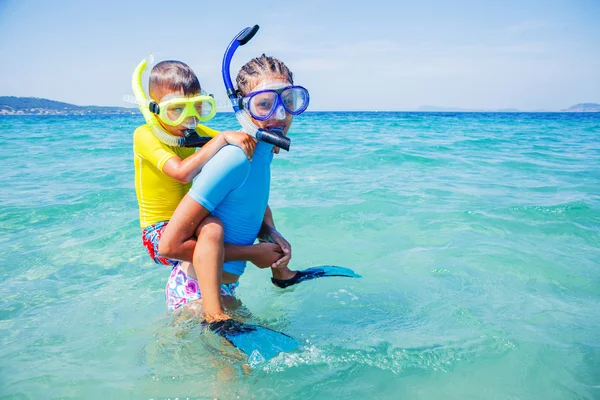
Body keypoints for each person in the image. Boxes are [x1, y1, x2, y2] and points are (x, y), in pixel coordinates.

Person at [159, 54, 310, 322]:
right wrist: (252, 254)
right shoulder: (235, 158)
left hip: (224, 287)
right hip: (196, 293)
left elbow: (245, 207)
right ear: (243, 109)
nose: (280, 114)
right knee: (240, 364)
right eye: (264, 105)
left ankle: (283, 277)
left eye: (289, 101)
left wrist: (270, 235)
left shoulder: (266, 151)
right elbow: (169, 247)